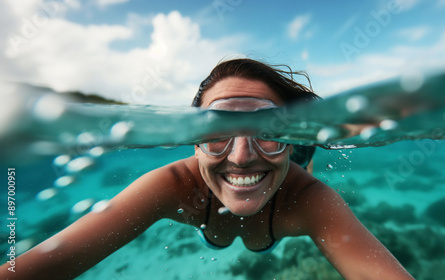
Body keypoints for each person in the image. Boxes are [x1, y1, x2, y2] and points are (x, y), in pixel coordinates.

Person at [0, 58, 414, 279]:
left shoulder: (307, 199)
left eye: (269, 131)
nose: (239, 156)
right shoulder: (172, 185)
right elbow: (42, 266)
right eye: (217, 133)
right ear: (193, 139)